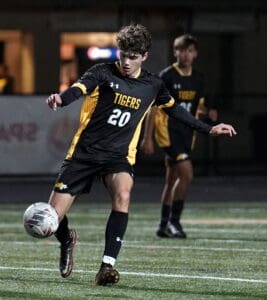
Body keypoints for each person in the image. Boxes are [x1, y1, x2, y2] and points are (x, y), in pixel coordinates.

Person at [45, 24, 236, 286]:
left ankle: (107, 267)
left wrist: (209, 128)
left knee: (123, 194)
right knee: (51, 220)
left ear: (144, 56)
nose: (126, 61)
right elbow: (78, 89)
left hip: (118, 157)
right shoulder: (101, 72)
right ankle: (67, 239)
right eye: (123, 54)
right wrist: (61, 99)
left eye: (133, 57)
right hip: (84, 154)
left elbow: (176, 110)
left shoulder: (153, 84)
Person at [140, 34, 219, 239]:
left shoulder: (199, 78)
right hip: (169, 132)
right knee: (187, 174)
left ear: (195, 54)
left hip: (186, 134)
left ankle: (163, 223)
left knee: (171, 180)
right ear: (175, 52)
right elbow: (154, 108)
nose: (185, 54)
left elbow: (197, 107)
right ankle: (174, 222)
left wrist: (207, 114)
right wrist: (147, 138)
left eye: (189, 51)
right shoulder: (167, 76)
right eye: (181, 50)